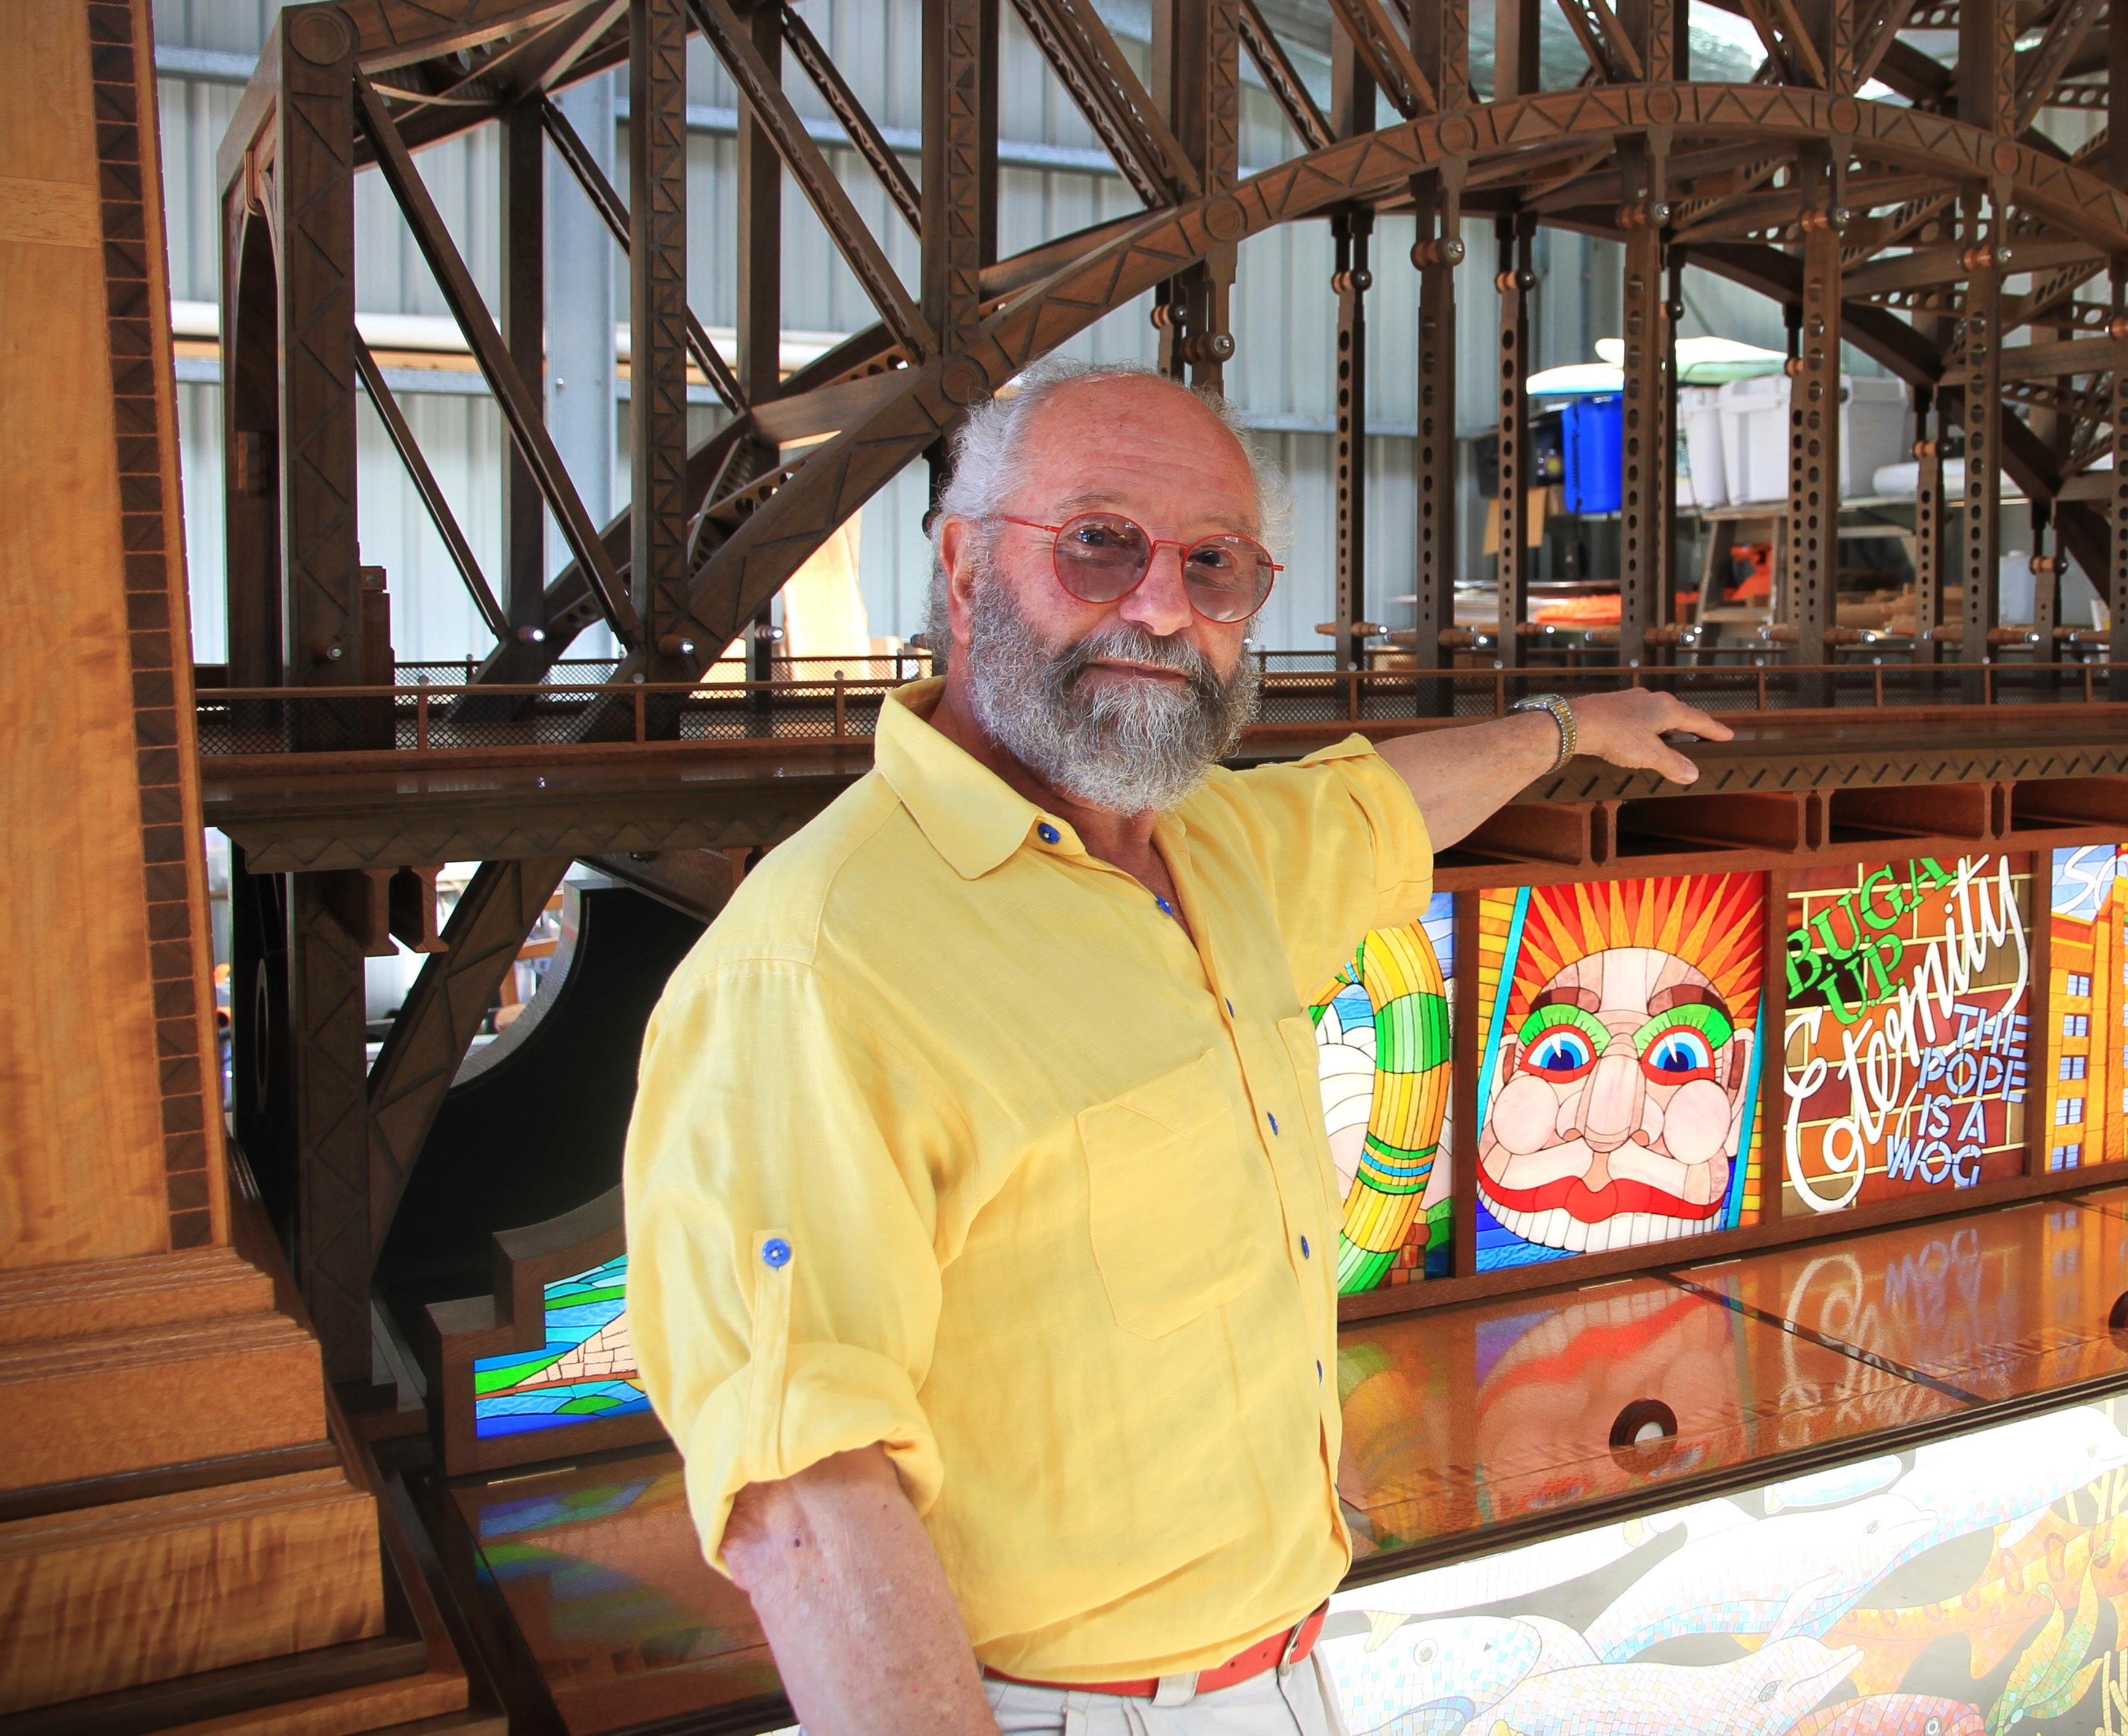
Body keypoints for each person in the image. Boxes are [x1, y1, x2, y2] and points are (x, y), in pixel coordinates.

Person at [624, 363, 1731, 1736]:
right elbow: (804, 1497)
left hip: (1284, 1674)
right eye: (1100, 541)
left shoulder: (1219, 846)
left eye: (1213, 565)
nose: (1161, 604)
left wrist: (1570, 729)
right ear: (964, 568)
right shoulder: (813, 966)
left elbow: (1387, 800)